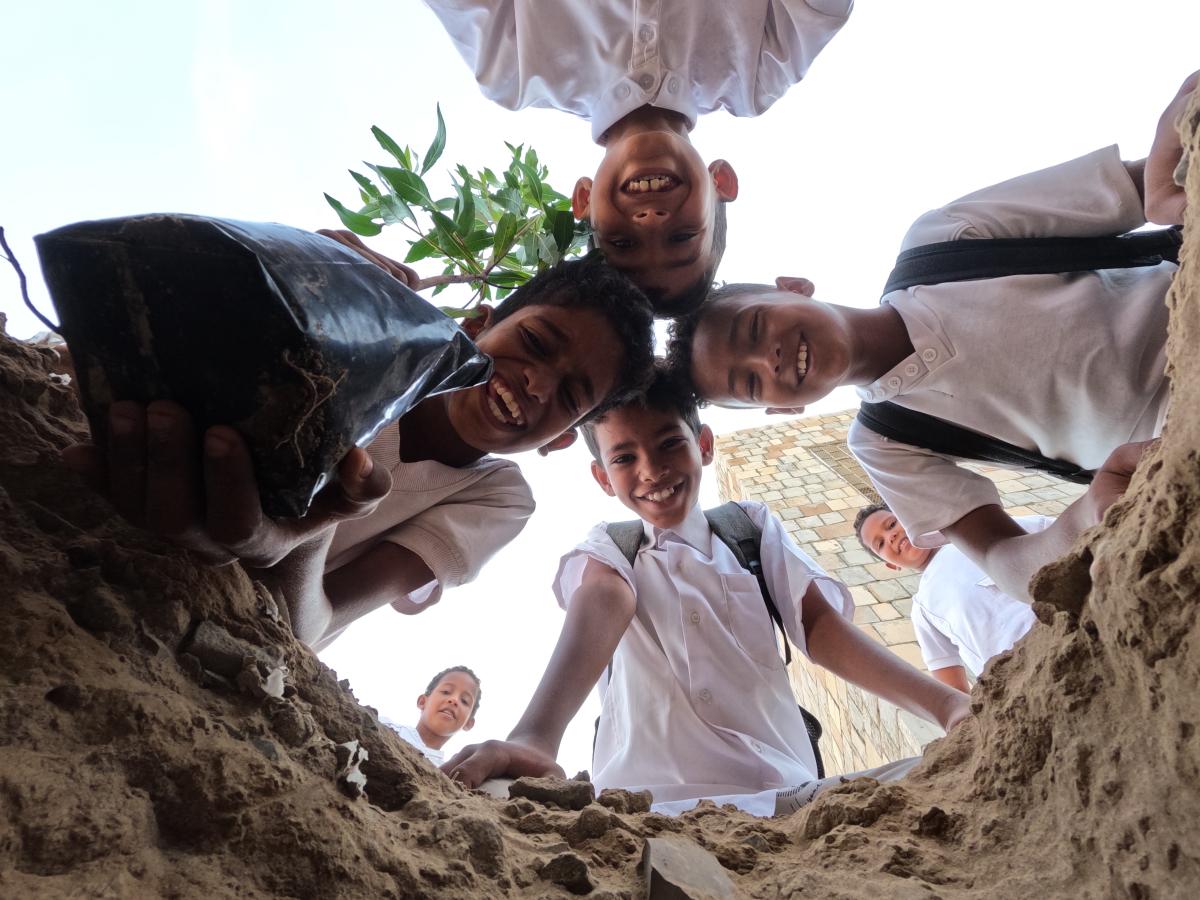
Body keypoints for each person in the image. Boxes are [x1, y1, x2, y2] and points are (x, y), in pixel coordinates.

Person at [666, 72, 1196, 602]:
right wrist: (1082, 519)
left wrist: (1173, 156)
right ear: (782, 411)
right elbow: (1002, 559)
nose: (769, 359)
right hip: (1177, 444)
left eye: (755, 326)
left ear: (793, 287)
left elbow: (1139, 184)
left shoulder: (944, 240)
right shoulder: (884, 444)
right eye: (752, 385)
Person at [441, 367, 970, 816]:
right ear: (603, 478)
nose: (651, 469)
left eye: (669, 443)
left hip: (790, 798)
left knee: (946, 777)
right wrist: (534, 739)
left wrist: (949, 707)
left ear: (705, 445)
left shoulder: (751, 528)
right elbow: (603, 602)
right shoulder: (611, 549)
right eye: (624, 458)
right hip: (651, 811)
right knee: (497, 792)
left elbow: (819, 628)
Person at [62, 250, 656, 650]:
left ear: (559, 438)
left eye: (571, 396)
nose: (537, 384)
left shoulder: (495, 497)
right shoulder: (369, 336)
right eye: (532, 342)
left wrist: (305, 533)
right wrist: (304, 270)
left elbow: (316, 628)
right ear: (475, 327)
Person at [422, 0, 854, 313]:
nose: (651, 222)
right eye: (683, 237)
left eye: (623, 242)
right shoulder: (761, 70)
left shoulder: (512, 69)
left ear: (584, 201)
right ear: (722, 181)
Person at [853, 502, 1051, 694]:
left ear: (913, 517)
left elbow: (1062, 533)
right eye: (880, 543)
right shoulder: (923, 608)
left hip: (1063, 620)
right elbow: (952, 689)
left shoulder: (984, 531)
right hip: (1026, 677)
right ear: (891, 565)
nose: (891, 535)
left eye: (892, 524)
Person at [382, 666, 482, 764]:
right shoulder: (384, 726)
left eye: (464, 701)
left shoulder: (445, 773)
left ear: (468, 723)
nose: (454, 700)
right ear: (422, 702)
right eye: (446, 692)